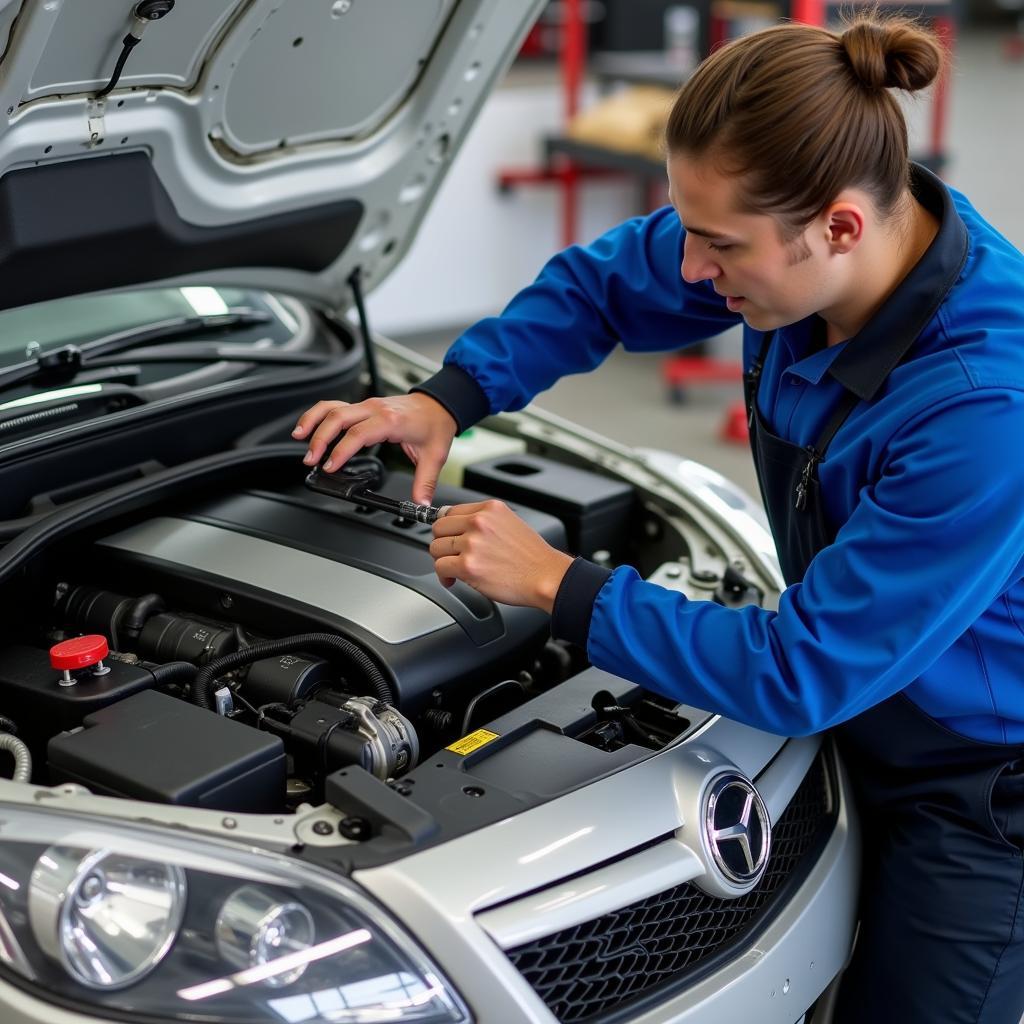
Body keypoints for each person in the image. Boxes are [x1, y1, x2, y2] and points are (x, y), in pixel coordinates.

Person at [294, 15, 1024, 1023]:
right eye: (688, 227)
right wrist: (447, 398)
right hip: (867, 696)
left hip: (977, 783)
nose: (691, 270)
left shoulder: (983, 406)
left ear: (838, 227)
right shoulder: (823, 252)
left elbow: (803, 669)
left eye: (720, 246)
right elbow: (602, 287)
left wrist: (560, 585)